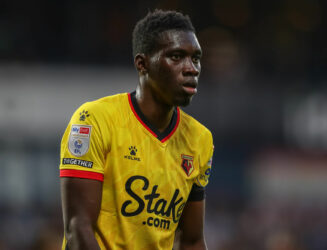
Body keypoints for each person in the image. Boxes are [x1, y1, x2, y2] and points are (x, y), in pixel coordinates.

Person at [59, 9, 214, 250]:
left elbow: (192, 241)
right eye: (176, 57)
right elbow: (78, 229)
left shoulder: (200, 139)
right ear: (142, 64)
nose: (191, 68)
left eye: (195, 58)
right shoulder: (94, 120)